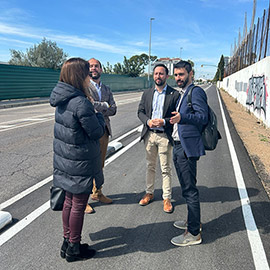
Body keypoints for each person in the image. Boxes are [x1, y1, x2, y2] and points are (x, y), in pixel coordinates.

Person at [50, 57, 105, 262]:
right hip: (80, 162)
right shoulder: (81, 102)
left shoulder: (61, 99)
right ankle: (74, 247)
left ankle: (67, 241)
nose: (89, 77)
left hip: (66, 160)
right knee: (78, 205)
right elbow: (96, 132)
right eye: (86, 73)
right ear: (79, 76)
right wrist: (97, 113)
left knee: (68, 203)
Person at [169, 60, 208, 246]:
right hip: (178, 145)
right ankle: (193, 221)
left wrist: (182, 117)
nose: (178, 78)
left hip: (186, 148)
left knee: (190, 190)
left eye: (181, 74)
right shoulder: (183, 94)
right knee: (187, 187)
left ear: (190, 74)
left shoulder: (196, 91)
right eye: (176, 75)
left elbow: (202, 117)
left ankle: (193, 233)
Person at [137, 64, 180, 213]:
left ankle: (166, 198)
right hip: (149, 135)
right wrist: (148, 121)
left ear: (167, 76)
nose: (158, 76)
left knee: (165, 168)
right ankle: (149, 193)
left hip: (164, 137)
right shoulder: (147, 93)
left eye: (161, 74)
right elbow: (140, 112)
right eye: (156, 73)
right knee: (150, 166)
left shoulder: (174, 95)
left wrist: (165, 121)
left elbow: (176, 116)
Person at [84, 58, 117, 214]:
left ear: (101, 69)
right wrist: (104, 106)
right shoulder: (84, 87)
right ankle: (83, 200)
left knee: (100, 164)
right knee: (87, 165)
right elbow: (87, 107)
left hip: (104, 130)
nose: (94, 68)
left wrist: (98, 107)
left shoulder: (107, 89)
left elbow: (114, 109)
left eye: (96, 66)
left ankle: (97, 192)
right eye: (91, 66)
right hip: (89, 131)